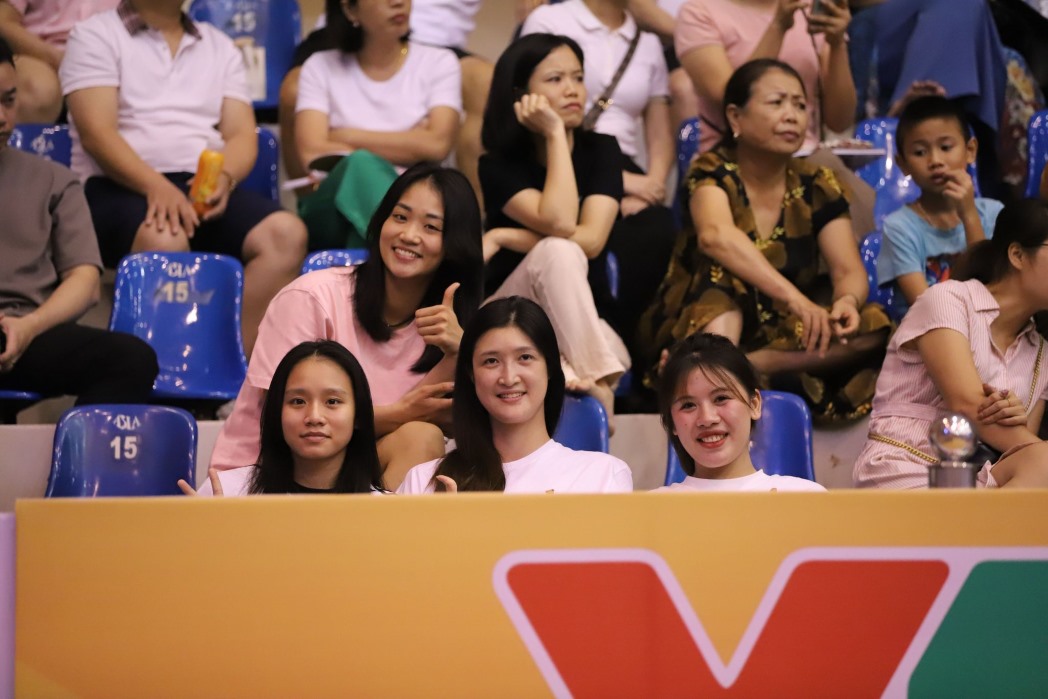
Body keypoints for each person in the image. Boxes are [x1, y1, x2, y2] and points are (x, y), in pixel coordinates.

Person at [639, 59, 891, 423]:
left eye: (800, 105)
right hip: (701, 318)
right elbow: (715, 237)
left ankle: (742, 365)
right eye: (776, 103)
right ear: (735, 118)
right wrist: (797, 300)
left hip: (782, 329)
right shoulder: (712, 169)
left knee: (874, 324)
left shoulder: (818, 182)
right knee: (725, 273)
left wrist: (847, 301)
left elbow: (847, 269)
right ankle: (713, 367)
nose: (792, 115)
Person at [210, 163, 484, 491]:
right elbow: (291, 418)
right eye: (399, 217)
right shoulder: (313, 297)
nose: (409, 235)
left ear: (456, 242)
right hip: (266, 472)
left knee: (420, 437)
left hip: (352, 479)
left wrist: (461, 352)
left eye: (431, 227)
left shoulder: (451, 327)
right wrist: (402, 412)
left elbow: (466, 424)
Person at [59, 0, 308, 356]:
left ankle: (230, 369)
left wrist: (225, 178)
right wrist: (155, 186)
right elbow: (97, 134)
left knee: (285, 234)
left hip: (197, 185)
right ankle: (162, 377)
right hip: (115, 186)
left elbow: (241, 134)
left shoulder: (219, 45)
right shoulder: (94, 35)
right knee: (166, 239)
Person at [479, 33, 638, 421]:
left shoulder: (603, 150)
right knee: (557, 249)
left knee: (614, 355)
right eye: (555, 79)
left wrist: (505, 236)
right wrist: (554, 134)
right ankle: (597, 380)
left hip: (578, 316)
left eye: (578, 77)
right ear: (520, 94)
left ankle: (573, 372)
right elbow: (563, 224)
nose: (572, 90)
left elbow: (593, 240)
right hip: (511, 311)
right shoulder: (497, 164)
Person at [0, 36, 158, 405]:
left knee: (131, 359)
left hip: (25, 329)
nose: (2, 117)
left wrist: (28, 328)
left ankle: (76, 460)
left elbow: (86, 281)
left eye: (8, 100)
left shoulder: (53, 179)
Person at [854, 200, 1048, 490]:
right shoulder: (948, 300)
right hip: (905, 467)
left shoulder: (1041, 353)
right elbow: (967, 406)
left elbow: (1020, 452)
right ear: (1018, 255)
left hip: (980, 484)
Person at [675, 0, 875, 237]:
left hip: (805, 155)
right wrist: (779, 26)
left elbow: (840, 120)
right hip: (736, 158)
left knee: (850, 194)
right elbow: (732, 98)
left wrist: (837, 42)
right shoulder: (700, 11)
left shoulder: (809, 10)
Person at [398, 296, 633, 494]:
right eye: (491, 361)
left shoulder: (601, 475)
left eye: (525, 358)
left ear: (550, 368)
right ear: (471, 374)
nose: (509, 378)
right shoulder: (423, 482)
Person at [290, 0, 461, 248]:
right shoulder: (319, 67)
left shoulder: (440, 63)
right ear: (350, 9)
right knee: (360, 165)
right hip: (329, 208)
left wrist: (343, 136)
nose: (399, 3)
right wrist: (410, 141)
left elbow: (437, 144)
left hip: (409, 204)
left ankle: (376, 267)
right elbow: (312, 151)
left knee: (360, 238)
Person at [180, 341, 385, 496]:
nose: (314, 417)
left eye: (332, 402)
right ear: (277, 412)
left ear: (358, 415)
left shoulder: (387, 510)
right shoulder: (227, 493)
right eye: (297, 401)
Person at [877, 96, 1004, 315]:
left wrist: (970, 216)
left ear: (970, 150)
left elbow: (994, 290)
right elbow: (926, 307)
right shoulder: (899, 227)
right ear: (902, 164)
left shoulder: (994, 213)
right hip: (927, 336)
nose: (935, 160)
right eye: (919, 152)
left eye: (945, 147)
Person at [655, 332, 825, 491]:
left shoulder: (805, 498)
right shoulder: (652, 509)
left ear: (754, 404)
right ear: (672, 421)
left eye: (721, 398)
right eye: (688, 405)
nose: (707, 418)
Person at [0, 0, 116, 122]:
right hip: (41, 54)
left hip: (110, 57)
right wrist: (57, 58)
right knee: (37, 89)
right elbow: (3, 22)